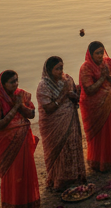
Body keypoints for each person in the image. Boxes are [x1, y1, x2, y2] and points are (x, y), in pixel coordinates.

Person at [0, 70, 40, 208]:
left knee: (26, 171)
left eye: (17, 80)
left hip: (23, 140)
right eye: (12, 82)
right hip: (7, 144)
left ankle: (29, 203)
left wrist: (21, 105)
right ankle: (14, 207)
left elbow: (31, 115)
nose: (16, 84)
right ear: (3, 84)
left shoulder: (21, 94)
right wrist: (16, 107)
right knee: (13, 173)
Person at [37, 57, 86, 190]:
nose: (60, 71)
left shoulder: (67, 79)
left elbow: (76, 97)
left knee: (72, 146)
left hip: (71, 120)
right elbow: (48, 108)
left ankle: (75, 176)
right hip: (54, 125)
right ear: (49, 70)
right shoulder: (44, 85)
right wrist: (64, 95)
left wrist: (75, 95)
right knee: (59, 151)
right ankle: (60, 180)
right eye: (57, 69)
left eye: (61, 68)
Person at [79, 42, 111, 173]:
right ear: (90, 54)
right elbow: (89, 89)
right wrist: (103, 78)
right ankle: (98, 162)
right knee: (99, 135)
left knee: (110, 132)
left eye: (102, 52)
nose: (100, 55)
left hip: (109, 104)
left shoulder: (108, 62)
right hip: (94, 108)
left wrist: (107, 76)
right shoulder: (86, 68)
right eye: (97, 53)